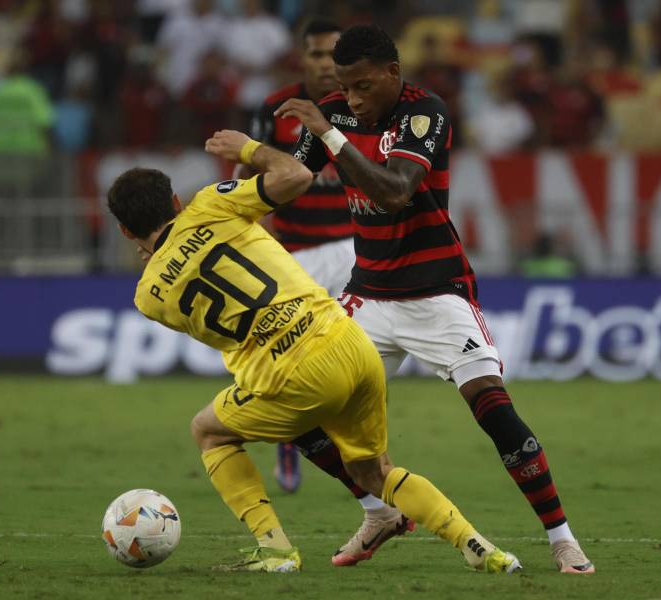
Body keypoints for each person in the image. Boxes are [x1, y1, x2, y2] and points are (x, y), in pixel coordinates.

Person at [106, 129, 522, 574]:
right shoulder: (211, 204)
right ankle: (479, 546)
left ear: (126, 230)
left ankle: (275, 550)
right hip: (351, 344)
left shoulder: (148, 296)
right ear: (176, 202)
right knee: (375, 472)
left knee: (209, 430)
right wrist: (249, 149)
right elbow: (295, 174)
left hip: (292, 375)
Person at [275, 24, 595, 574]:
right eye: (345, 88)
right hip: (368, 297)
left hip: (437, 292)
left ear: (393, 74)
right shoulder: (335, 111)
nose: (352, 98)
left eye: (362, 86)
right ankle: (378, 513)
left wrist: (330, 134)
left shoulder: (426, 113)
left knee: (494, 411)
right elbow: (295, 179)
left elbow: (395, 191)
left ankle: (563, 540)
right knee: (294, 411)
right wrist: (250, 161)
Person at [240, 18, 356, 495]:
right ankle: (292, 437)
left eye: (334, 55)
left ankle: (349, 445)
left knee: (352, 360)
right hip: (295, 254)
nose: (326, 64)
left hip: (354, 251)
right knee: (289, 357)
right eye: (316, 54)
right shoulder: (275, 108)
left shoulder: (360, 104)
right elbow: (245, 175)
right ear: (302, 57)